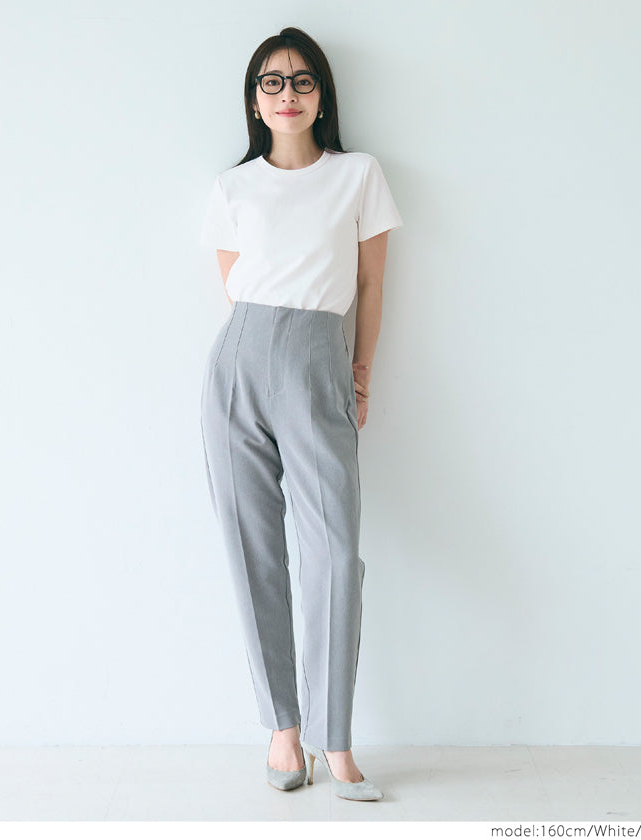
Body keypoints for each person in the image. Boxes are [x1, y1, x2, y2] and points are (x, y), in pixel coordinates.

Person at [199, 26, 403, 801]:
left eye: (303, 80)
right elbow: (235, 290)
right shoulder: (233, 188)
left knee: (335, 553)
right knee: (252, 548)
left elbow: (372, 285)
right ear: (255, 102)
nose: (288, 93)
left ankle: (335, 737)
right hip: (238, 366)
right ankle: (283, 730)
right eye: (272, 82)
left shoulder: (358, 175)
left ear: (323, 95)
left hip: (319, 363)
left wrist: (359, 372)